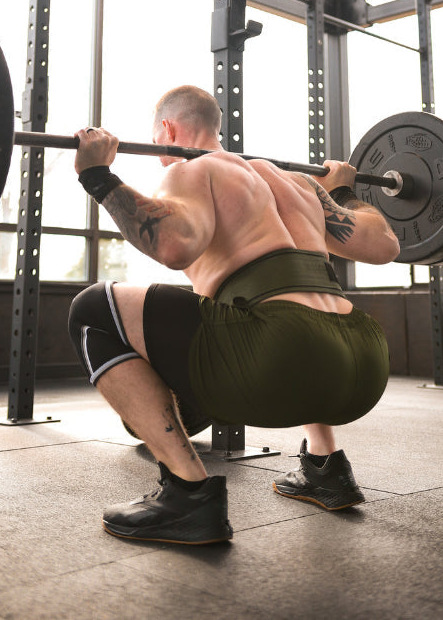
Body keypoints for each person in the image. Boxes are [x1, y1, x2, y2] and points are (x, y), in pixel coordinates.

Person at [68, 85, 399, 545]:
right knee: (284, 308)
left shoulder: (193, 168)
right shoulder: (300, 185)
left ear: (167, 130)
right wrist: (343, 193)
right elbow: (385, 243)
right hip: (365, 362)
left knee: (91, 309)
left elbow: (174, 245)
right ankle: (326, 467)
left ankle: (187, 493)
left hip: (281, 354)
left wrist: (99, 175)